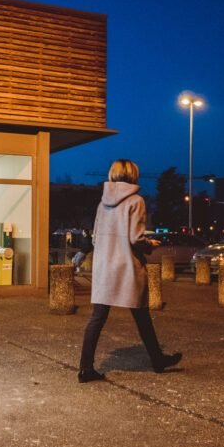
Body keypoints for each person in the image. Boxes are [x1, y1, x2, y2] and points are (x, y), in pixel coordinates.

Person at [78, 159, 182, 383]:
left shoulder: (102, 203)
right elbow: (136, 238)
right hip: (126, 266)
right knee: (141, 313)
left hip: (105, 266)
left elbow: (95, 238)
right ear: (134, 174)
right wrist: (149, 245)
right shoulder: (136, 201)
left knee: (97, 318)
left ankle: (85, 368)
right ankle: (157, 360)